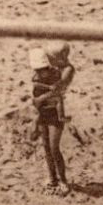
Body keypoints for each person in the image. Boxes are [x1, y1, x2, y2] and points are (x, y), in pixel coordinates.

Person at [32, 42, 75, 194]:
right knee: (46, 148)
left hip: (56, 112)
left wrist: (40, 98)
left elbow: (57, 90)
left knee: (54, 148)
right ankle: (52, 178)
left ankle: (63, 180)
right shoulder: (52, 68)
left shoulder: (67, 70)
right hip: (45, 110)